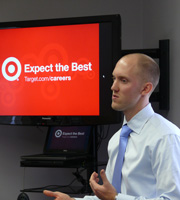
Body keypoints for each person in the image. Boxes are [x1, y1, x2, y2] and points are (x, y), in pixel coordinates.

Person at [43, 53, 180, 200]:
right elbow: (109, 197)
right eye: (114, 78)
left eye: (123, 80)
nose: (113, 87)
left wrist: (115, 197)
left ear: (145, 89)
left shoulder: (166, 137)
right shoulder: (117, 140)